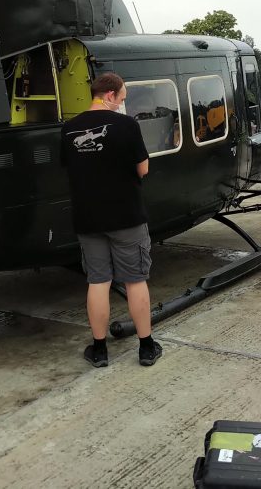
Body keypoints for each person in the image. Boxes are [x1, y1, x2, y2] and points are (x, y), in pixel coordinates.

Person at [60, 72, 164, 367]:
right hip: (126, 216)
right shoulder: (127, 125)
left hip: (88, 218)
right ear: (109, 95)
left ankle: (100, 349)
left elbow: (69, 168)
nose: (122, 103)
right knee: (135, 280)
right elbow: (142, 169)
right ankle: (146, 347)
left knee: (98, 282)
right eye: (121, 98)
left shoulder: (69, 129)